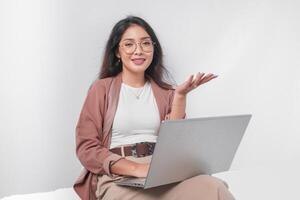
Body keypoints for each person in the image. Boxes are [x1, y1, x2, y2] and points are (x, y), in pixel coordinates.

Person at [73, 15, 235, 200]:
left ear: (153, 48)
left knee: (214, 188)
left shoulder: (166, 92)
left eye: (145, 43)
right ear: (117, 52)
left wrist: (180, 97)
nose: (138, 51)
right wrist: (137, 168)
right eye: (129, 44)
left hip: (161, 171)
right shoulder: (101, 88)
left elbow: (175, 144)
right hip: (119, 174)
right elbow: (87, 147)